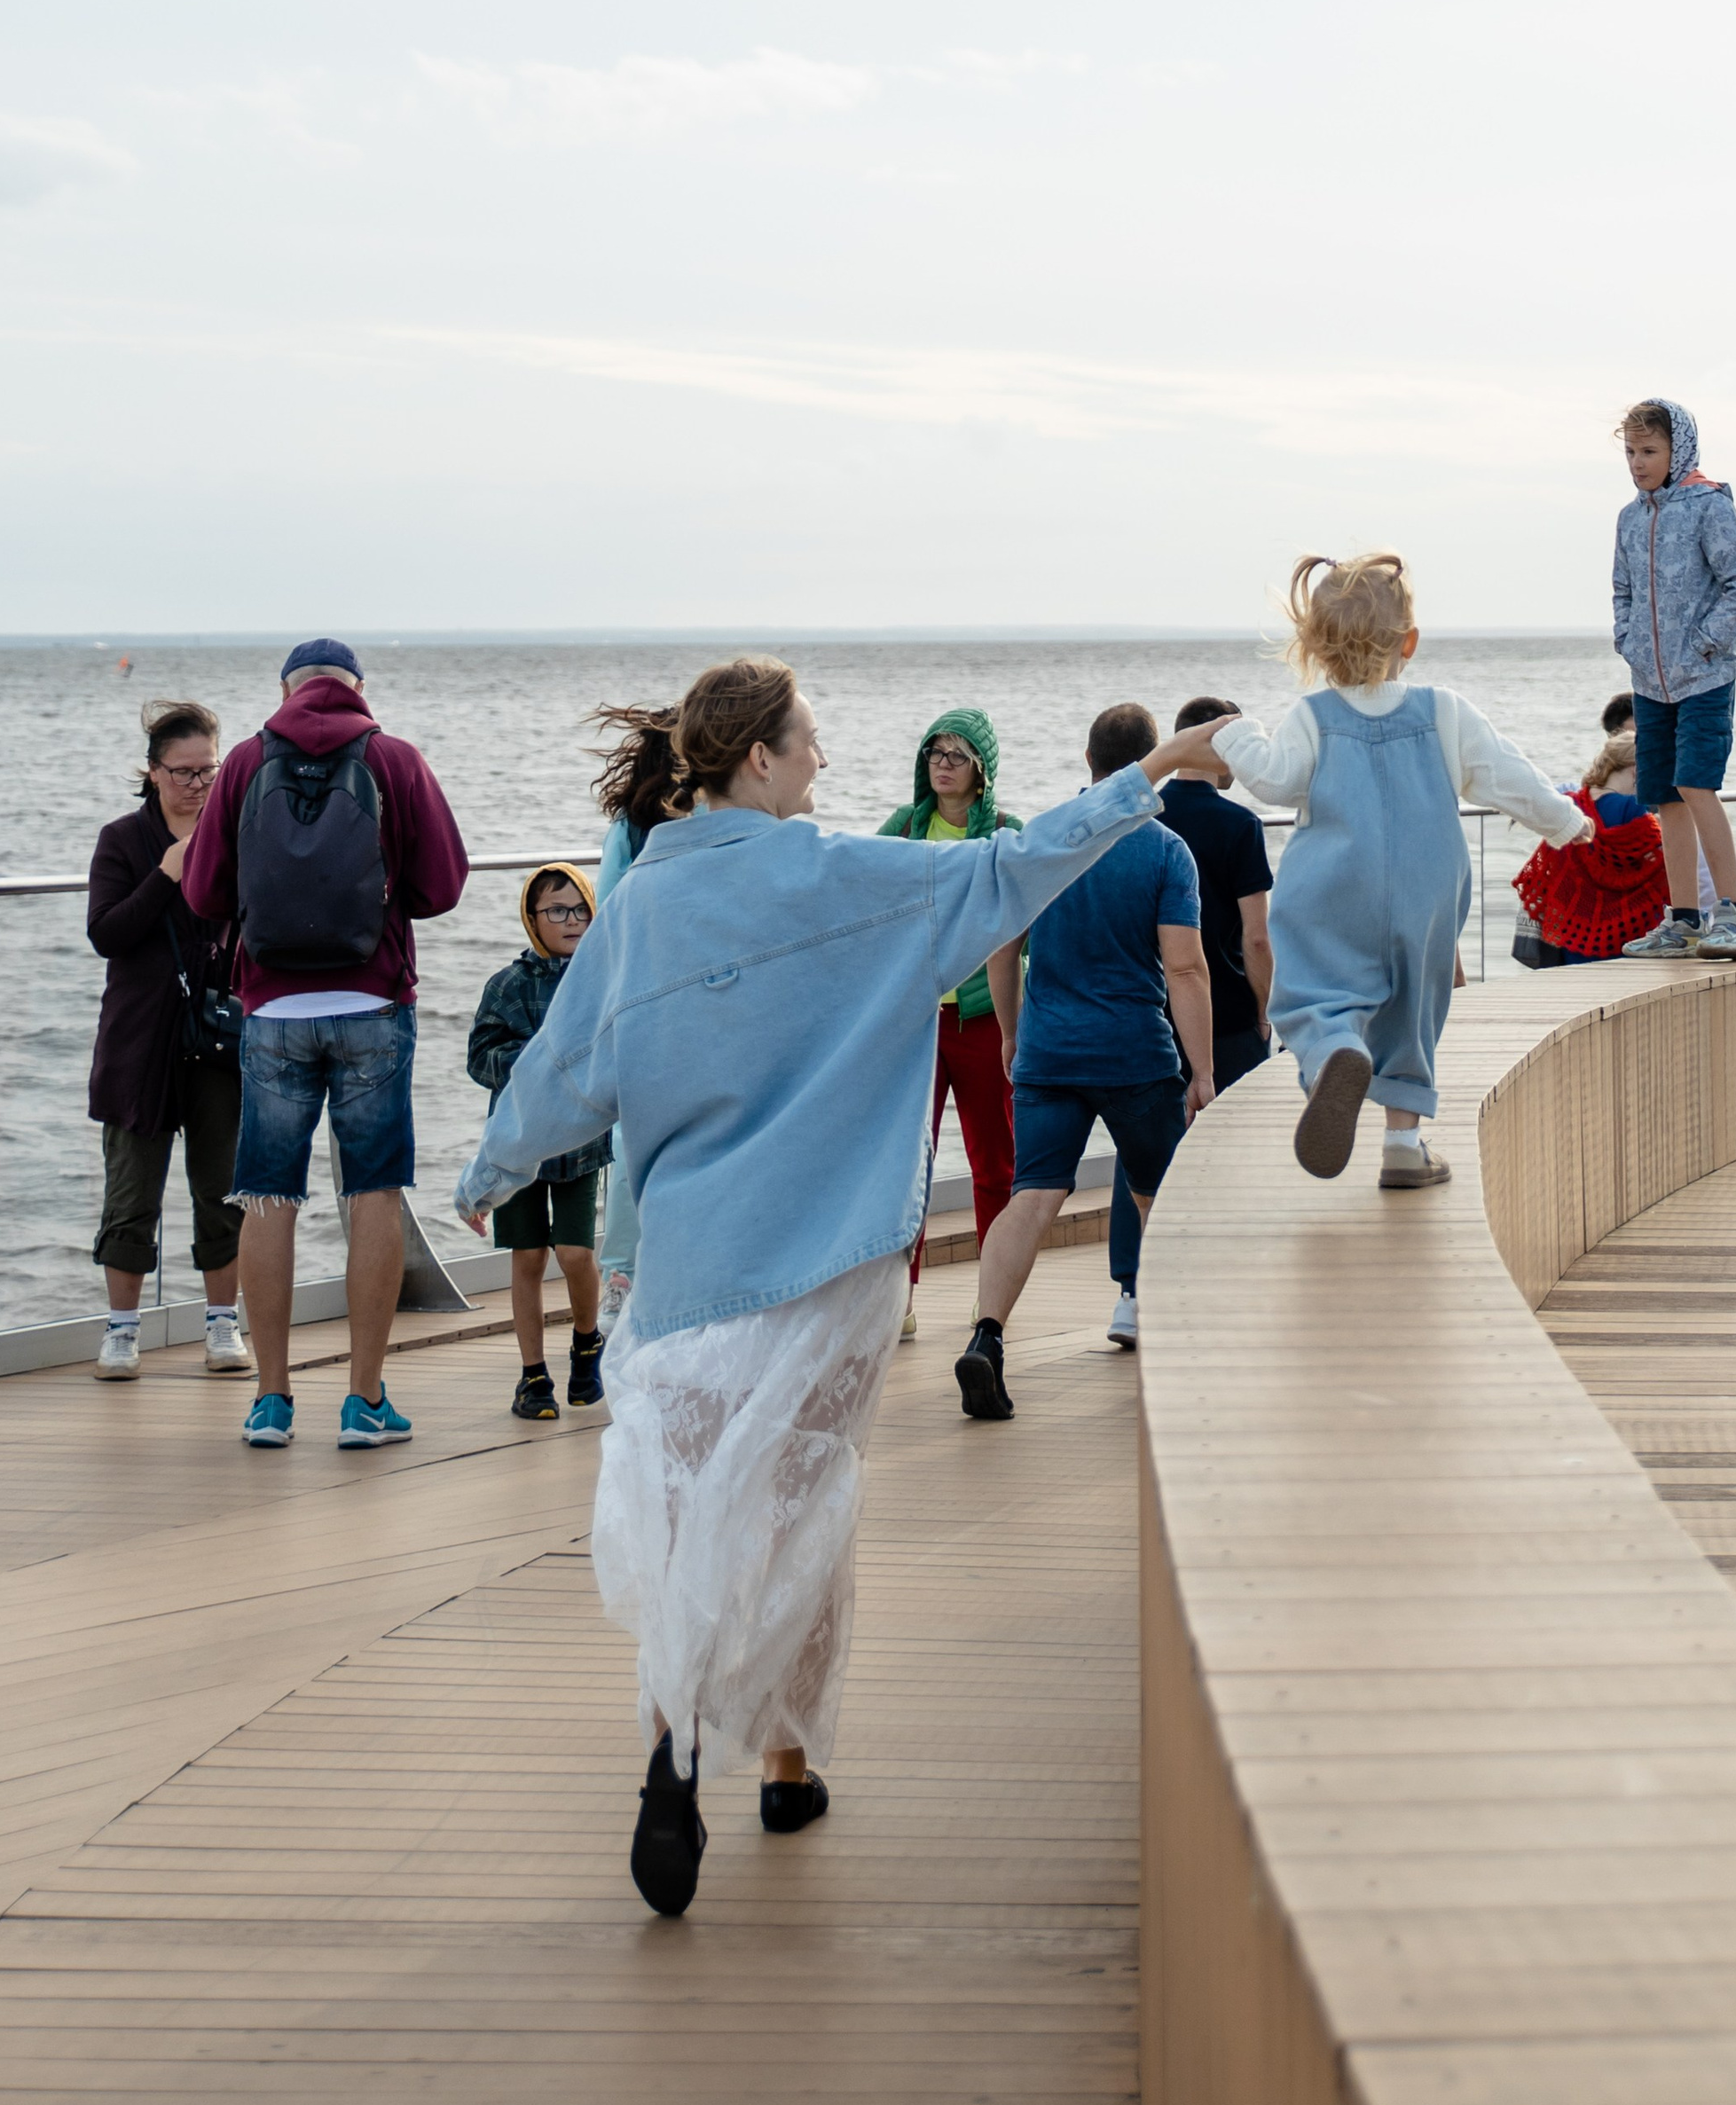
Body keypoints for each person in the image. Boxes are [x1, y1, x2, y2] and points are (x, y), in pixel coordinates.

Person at [450, 656, 1224, 1920]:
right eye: (808, 739)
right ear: (759, 757)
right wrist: (1151, 773)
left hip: (693, 1266)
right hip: (830, 1261)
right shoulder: (846, 876)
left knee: (689, 1513)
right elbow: (1010, 869)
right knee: (806, 1496)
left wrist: (493, 1167)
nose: (823, 759)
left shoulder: (640, 904)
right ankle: (786, 1770)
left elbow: (569, 1063)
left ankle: (675, 1740)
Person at [1216, 554, 1591, 1186]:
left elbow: (1275, 781)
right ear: (1408, 641)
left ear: (1316, 647)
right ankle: (1403, 1147)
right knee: (1415, 1006)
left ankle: (1333, 1051)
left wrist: (1236, 736)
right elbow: (1506, 774)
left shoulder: (1312, 716)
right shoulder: (1444, 710)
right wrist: (1564, 821)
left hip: (1335, 885)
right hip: (1427, 888)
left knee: (1315, 988)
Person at [184, 638, 469, 1454]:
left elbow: (203, 891)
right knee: (373, 1194)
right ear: (359, 688)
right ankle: (363, 1401)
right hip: (373, 1002)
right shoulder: (395, 758)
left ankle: (271, 1402)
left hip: (273, 1010)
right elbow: (443, 885)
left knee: (268, 1197)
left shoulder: (244, 762)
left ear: (286, 690)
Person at [960, 704, 1215, 1416]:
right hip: (1136, 1056)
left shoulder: (1040, 838)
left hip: (1048, 1052)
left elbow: (1001, 950)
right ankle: (1173, 1346)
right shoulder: (1165, 851)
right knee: (1156, 1197)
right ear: (1149, 763)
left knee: (1033, 1197)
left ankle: (987, 1336)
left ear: (1087, 759)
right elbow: (1185, 970)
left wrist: (1011, 1033)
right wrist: (1202, 1070)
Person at [84, 700, 251, 1381]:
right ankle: (122, 1333)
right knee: (131, 1196)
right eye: (183, 772)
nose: (197, 784)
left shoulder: (236, 836)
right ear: (153, 771)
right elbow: (107, 934)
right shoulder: (122, 840)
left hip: (219, 1036)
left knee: (224, 1191)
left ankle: (223, 1326)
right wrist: (166, 875)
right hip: (139, 1041)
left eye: (209, 770)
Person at [1104, 693, 1273, 1349]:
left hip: (1150, 1013)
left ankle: (1132, 1294)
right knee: (1234, 1153)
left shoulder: (1139, 816)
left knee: (1140, 1154)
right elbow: (1255, 938)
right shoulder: (1240, 826)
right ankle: (1223, 1284)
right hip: (1225, 1015)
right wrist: (1265, 1010)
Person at [876, 711, 1023, 1342]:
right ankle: (898, 1301)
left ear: (981, 769)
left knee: (996, 1165)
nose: (942, 763)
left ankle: (991, 1299)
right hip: (916, 1022)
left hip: (986, 1021)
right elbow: (863, 900)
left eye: (957, 754)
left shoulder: (1008, 833)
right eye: (935, 752)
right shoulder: (904, 828)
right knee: (908, 1165)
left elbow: (1030, 923)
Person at [1610, 397, 1736, 962]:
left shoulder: (1709, 506)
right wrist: (1627, 641)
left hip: (1705, 678)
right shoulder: (1630, 518)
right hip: (1650, 684)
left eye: (1649, 451)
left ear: (1678, 450)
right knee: (1664, 796)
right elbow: (1623, 592)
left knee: (1697, 784)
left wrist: (1703, 643)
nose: (1638, 463)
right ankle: (1682, 921)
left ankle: (1734, 916)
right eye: (1631, 452)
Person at [467, 867, 611, 1419]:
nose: (571, 920)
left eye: (580, 909)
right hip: (519, 1142)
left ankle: (586, 1343)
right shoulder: (507, 985)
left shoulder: (601, 979)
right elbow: (479, 1057)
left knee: (575, 1253)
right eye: (556, 910)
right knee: (527, 1256)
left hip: (580, 1144)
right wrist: (531, 1063)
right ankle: (532, 1376)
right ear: (532, 918)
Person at [590, 703, 686, 1316]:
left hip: (655, 1002)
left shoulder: (633, 827)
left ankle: (628, 1277)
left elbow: (608, 917)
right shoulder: (643, 825)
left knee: (642, 1140)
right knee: (651, 1140)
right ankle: (628, 1276)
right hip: (674, 1003)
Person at [1512, 724, 1669, 965]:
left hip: (1573, 939)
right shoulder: (1634, 809)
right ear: (1637, 771)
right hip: (1628, 938)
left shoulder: (1570, 807)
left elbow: (1552, 873)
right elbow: (1665, 863)